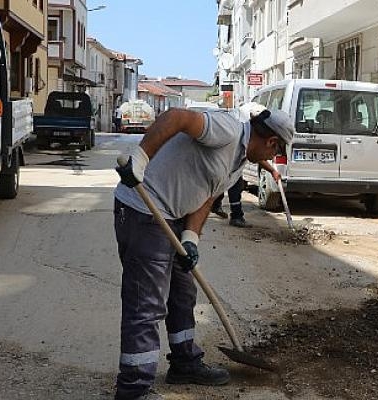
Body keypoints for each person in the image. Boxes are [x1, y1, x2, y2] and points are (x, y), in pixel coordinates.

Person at [112, 106, 294, 400]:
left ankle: (184, 363)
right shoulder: (228, 131)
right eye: (278, 151)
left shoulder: (236, 162)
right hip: (144, 210)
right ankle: (133, 388)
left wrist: (190, 238)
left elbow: (206, 195)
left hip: (174, 218)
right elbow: (177, 117)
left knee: (183, 295)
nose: (274, 159)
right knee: (147, 304)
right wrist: (140, 158)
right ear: (272, 141)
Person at [210, 161, 280, 227]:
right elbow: (257, 157)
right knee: (234, 186)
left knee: (224, 183)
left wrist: (272, 171)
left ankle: (216, 205)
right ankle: (236, 217)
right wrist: (272, 171)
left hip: (226, 163)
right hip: (227, 163)